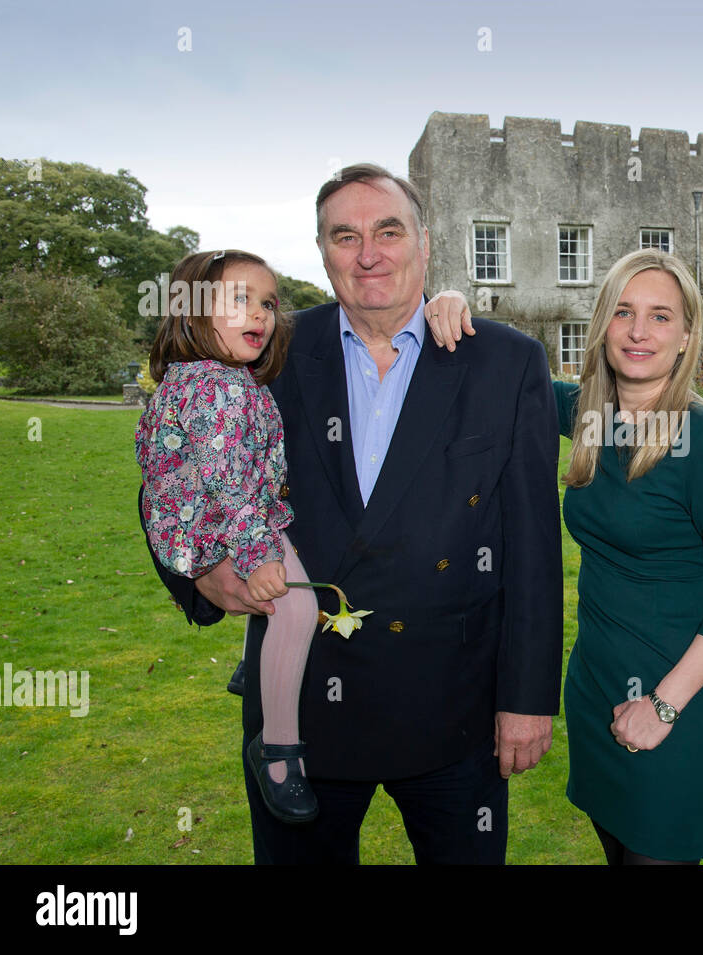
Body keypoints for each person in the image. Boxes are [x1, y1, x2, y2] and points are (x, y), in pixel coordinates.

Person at [141, 164, 563, 864]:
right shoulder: (264, 351)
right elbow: (170, 467)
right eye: (346, 236)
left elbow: (534, 550)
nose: (368, 253)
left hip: (455, 713)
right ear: (322, 250)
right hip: (301, 719)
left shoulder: (503, 361)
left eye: (388, 231)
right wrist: (206, 572)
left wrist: (527, 698)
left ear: (424, 244)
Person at [428, 249, 703, 865]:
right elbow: (502, 369)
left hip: (675, 704)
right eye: (624, 313)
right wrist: (451, 304)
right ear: (602, 323)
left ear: (688, 334)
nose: (639, 332)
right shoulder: (589, 419)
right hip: (596, 690)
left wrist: (662, 706)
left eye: (661, 316)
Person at [137, 249, 321, 825]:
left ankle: (251, 663)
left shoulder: (209, 378)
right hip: (222, 519)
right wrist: (256, 551)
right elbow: (229, 481)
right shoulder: (219, 387)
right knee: (296, 605)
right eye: (240, 300)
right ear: (191, 310)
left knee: (277, 602)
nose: (262, 315)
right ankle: (279, 751)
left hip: (214, 512)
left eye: (268, 302)